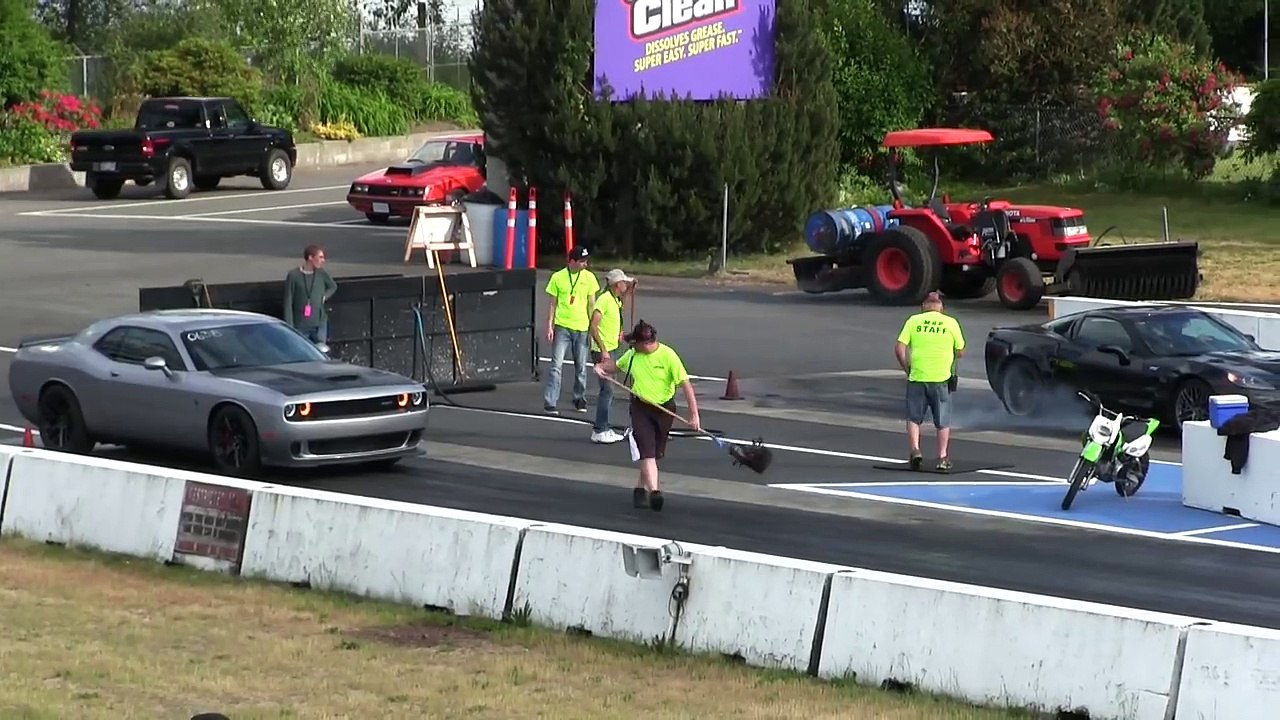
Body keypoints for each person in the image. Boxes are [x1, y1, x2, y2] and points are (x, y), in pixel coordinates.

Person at [595, 320, 699, 512]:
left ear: (645, 343)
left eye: (636, 343)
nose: (633, 346)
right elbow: (614, 366)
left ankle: (639, 489)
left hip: (664, 410)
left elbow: (686, 385)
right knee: (646, 450)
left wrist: (694, 415)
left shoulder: (668, 356)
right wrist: (600, 367)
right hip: (640, 408)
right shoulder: (633, 355)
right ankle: (655, 492)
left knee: (653, 454)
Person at [894, 291, 965, 471]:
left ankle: (916, 450)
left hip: (917, 376)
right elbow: (961, 350)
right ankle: (942, 457)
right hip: (941, 377)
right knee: (942, 420)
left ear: (924, 307)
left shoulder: (913, 321)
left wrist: (906, 368)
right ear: (941, 307)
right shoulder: (950, 323)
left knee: (914, 417)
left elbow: (899, 348)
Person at [543, 246, 600, 414]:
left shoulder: (589, 278)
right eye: (582, 261)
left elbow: (592, 304)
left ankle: (579, 397)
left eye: (586, 261)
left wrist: (593, 328)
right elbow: (553, 304)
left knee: (581, 366)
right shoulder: (558, 277)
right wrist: (549, 326)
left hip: (582, 328)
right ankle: (550, 400)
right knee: (556, 365)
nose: (585, 264)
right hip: (562, 326)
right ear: (572, 261)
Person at [587, 268, 636, 444]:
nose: (626, 285)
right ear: (617, 284)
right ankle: (600, 429)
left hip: (611, 347)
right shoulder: (604, 300)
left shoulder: (615, 299)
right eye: (624, 282)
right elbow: (593, 326)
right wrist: (603, 350)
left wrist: (630, 288)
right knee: (606, 390)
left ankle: (603, 427)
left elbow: (626, 299)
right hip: (603, 350)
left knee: (608, 390)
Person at [283, 245, 337, 344]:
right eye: (320, 257)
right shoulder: (294, 275)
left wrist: (324, 296)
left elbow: (333, 286)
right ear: (310, 257)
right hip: (301, 325)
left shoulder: (321, 273)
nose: (323, 260)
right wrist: (290, 326)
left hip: (319, 324)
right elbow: (288, 301)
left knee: (320, 351)